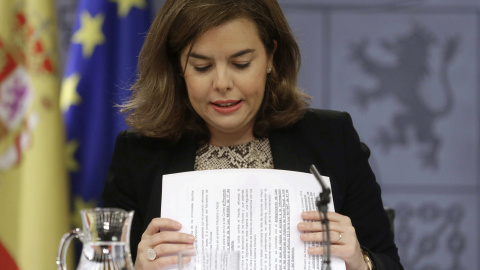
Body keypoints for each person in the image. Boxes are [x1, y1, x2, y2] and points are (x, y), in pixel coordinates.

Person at [101, 0, 403, 269]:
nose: (222, 83)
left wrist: (359, 262)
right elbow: (99, 261)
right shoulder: (137, 155)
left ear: (271, 56)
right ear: (178, 66)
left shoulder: (332, 139)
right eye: (202, 66)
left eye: (241, 64)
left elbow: (388, 261)